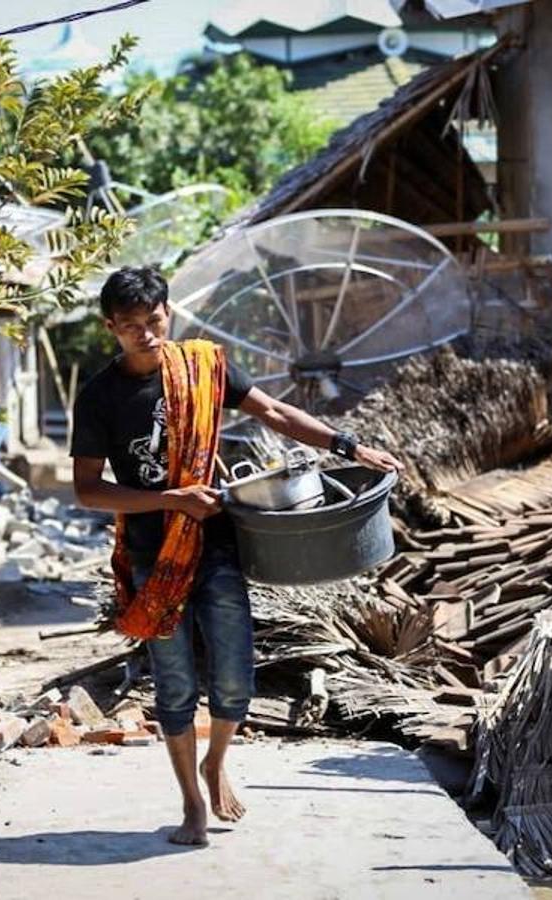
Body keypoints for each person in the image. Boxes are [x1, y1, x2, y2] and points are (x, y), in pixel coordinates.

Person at [70, 266, 402, 847]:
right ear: (110, 328)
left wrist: (348, 445)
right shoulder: (100, 395)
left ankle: (215, 760)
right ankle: (192, 803)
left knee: (234, 675)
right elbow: (88, 489)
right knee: (173, 685)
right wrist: (170, 498)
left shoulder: (204, 367)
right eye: (130, 327)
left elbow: (274, 412)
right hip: (153, 555)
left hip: (217, 546)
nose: (146, 335)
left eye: (154, 321)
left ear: (167, 314)